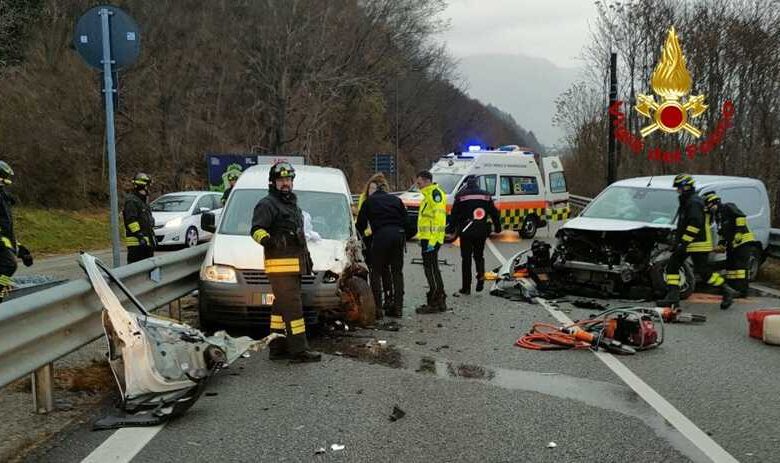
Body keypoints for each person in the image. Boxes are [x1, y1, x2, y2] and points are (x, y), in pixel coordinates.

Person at [250, 162, 321, 363]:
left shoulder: (291, 205)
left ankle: (277, 347)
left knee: (280, 308)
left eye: (288, 179)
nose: (285, 183)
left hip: (295, 265)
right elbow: (255, 229)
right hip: (280, 268)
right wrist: (268, 240)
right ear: (273, 182)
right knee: (293, 308)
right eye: (281, 180)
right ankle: (299, 350)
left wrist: (307, 259)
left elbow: (298, 236)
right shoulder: (267, 204)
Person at [658, 174, 737, 310]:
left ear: (686, 187)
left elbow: (695, 223)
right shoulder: (688, 201)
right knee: (673, 266)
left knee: (704, 273)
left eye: (679, 188)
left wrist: (683, 242)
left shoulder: (693, 202)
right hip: (691, 243)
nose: (677, 191)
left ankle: (726, 290)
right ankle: (673, 297)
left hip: (697, 244)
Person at [355, 174, 407, 318]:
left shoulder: (369, 202)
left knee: (376, 271)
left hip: (381, 236)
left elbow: (360, 225)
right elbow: (407, 222)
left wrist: (360, 239)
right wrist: (403, 236)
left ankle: (378, 308)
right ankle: (398, 307)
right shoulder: (396, 200)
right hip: (398, 235)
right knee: (397, 272)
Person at [448, 176, 501, 296]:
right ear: (477, 184)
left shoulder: (461, 196)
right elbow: (494, 213)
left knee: (466, 259)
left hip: (466, 231)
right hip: (481, 230)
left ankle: (466, 287)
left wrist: (451, 229)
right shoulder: (486, 195)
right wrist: (498, 227)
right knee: (479, 256)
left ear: (467, 184)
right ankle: (480, 278)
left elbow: (454, 214)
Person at [703, 192, 757, 297]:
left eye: (708, 205)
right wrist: (721, 244)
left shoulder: (728, 207)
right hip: (732, 244)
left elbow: (740, 217)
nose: (708, 208)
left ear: (714, 202)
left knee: (740, 267)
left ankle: (742, 290)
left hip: (743, 241)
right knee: (731, 266)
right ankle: (732, 288)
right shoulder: (718, 216)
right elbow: (722, 232)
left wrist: (739, 232)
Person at [414, 170, 448, 314]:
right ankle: (439, 299)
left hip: (431, 239)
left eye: (419, 182)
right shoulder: (428, 195)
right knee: (432, 268)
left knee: (431, 270)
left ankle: (435, 301)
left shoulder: (434, 194)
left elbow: (439, 219)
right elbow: (426, 219)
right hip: (427, 238)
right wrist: (420, 236)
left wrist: (432, 241)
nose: (418, 185)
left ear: (427, 181)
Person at [0, 161, 33, 302]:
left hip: (3, 241)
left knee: (7, 267)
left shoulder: (3, 196)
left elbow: (6, 231)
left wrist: (21, 250)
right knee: (9, 265)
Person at [122, 173, 156, 264]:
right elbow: (131, 221)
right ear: (143, 186)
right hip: (137, 244)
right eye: (148, 186)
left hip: (146, 243)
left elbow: (146, 220)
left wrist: (152, 238)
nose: (149, 189)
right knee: (137, 269)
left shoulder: (142, 201)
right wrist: (139, 236)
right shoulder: (132, 201)